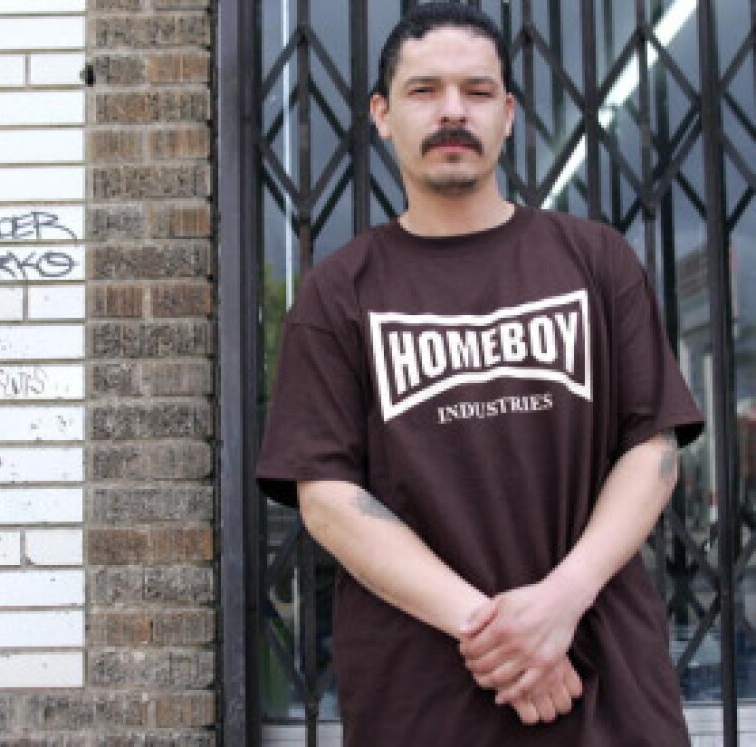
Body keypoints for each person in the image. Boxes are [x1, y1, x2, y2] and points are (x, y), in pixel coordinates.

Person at [256, 3, 704, 745]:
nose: (453, 112)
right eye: (424, 91)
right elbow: (328, 499)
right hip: (425, 702)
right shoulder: (340, 292)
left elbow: (652, 446)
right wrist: (503, 633)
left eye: (478, 91)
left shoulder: (596, 261)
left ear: (510, 115)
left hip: (606, 690)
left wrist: (561, 601)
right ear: (382, 114)